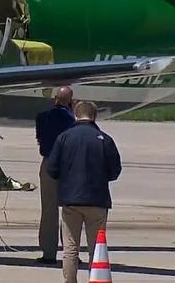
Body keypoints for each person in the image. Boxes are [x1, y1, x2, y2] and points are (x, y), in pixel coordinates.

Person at [47, 101, 121, 283]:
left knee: (70, 248)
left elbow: (52, 169)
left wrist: (67, 179)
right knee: (96, 248)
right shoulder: (105, 139)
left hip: (70, 200)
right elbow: (115, 171)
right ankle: (95, 278)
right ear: (94, 116)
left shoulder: (64, 137)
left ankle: (70, 280)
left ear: (76, 115)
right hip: (97, 200)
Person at [34, 86, 75, 264]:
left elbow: (40, 139)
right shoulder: (73, 119)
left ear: (55, 100)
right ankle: (71, 252)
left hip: (48, 162)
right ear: (71, 101)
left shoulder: (42, 117)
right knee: (71, 211)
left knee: (49, 210)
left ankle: (48, 252)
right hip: (69, 166)